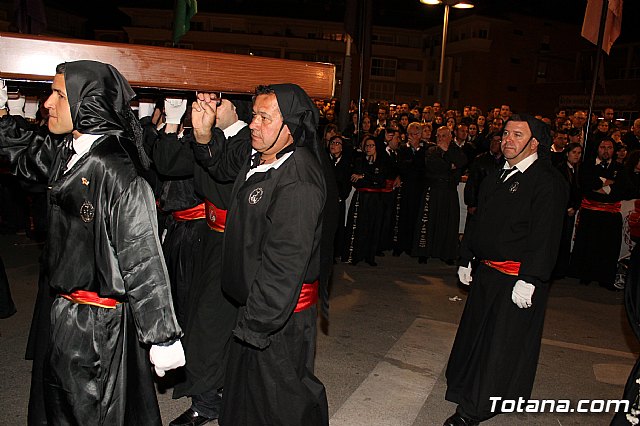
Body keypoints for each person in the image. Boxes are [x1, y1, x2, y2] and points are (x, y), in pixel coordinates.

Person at [0, 60, 184, 425]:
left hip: (97, 327)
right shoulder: (70, 152)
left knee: (91, 413)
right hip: (65, 314)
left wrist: (162, 336)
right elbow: (23, 152)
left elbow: (143, 256)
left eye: (57, 94)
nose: (47, 103)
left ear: (87, 103)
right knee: (61, 407)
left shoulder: (115, 170)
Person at [204, 83, 334, 426]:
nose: (253, 124)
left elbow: (284, 263)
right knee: (249, 399)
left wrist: (256, 325)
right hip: (255, 310)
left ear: (290, 126)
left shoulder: (298, 180)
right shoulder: (263, 159)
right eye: (254, 115)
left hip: (277, 318)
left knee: (280, 403)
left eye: (264, 117)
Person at [443, 114, 568, 425]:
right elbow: (479, 220)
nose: (507, 140)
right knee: (476, 338)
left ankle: (474, 411)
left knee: (502, 346)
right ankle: (465, 389)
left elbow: (546, 236)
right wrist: (467, 256)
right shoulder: (497, 175)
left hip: (516, 277)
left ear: (535, 142)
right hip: (487, 273)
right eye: (505, 133)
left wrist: (531, 278)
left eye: (516, 134)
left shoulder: (548, 182)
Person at [153, 93, 253, 426]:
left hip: (236, 242)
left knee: (210, 325)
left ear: (235, 108)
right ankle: (216, 394)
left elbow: (224, 174)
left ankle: (208, 402)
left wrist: (205, 137)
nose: (207, 109)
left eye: (216, 103)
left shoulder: (246, 138)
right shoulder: (205, 135)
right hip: (206, 237)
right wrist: (171, 121)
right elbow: (167, 165)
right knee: (198, 317)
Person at [570, 138, 628, 290]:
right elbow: (587, 185)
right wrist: (608, 183)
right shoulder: (587, 166)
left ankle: (604, 277)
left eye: (609, 147)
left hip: (610, 214)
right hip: (591, 212)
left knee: (608, 247)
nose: (606, 150)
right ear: (598, 149)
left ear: (614, 151)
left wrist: (602, 186)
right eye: (603, 147)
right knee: (588, 245)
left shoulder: (620, 168)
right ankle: (585, 275)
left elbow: (623, 188)